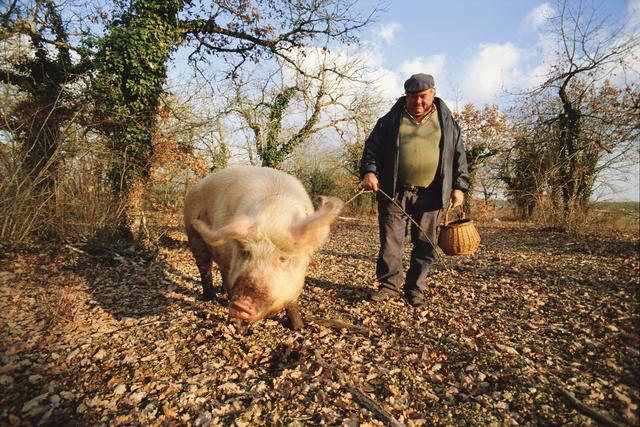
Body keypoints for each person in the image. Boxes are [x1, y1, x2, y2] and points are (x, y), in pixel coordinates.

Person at [359, 73, 470, 307]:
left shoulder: (447, 122)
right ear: (405, 96)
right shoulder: (389, 120)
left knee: (426, 243)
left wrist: (459, 187)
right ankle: (389, 286)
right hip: (394, 191)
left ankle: (415, 288)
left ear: (433, 93)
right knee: (390, 243)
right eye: (412, 97)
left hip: (432, 193)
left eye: (423, 97)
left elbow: (459, 156)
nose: (418, 102)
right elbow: (372, 148)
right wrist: (369, 172)